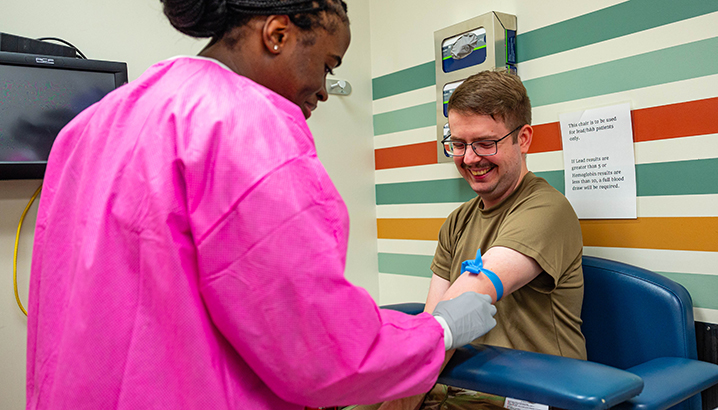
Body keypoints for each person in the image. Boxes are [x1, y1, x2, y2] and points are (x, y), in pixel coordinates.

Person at [24, 1, 499, 409]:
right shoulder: (245, 124)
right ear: (277, 34)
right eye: (328, 67)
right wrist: (439, 333)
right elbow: (313, 346)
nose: (323, 90)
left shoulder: (91, 126)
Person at [362, 71, 586, 410]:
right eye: (459, 144)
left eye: (485, 143)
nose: (469, 159)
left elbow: (463, 305)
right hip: (460, 384)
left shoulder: (546, 210)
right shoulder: (457, 222)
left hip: (529, 394)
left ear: (523, 138)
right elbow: (434, 322)